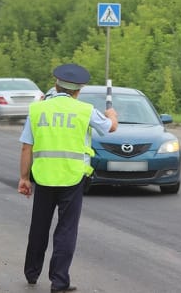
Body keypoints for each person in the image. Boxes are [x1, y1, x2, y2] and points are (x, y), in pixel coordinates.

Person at [17, 63, 118, 292]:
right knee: (66, 229)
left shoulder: (37, 109)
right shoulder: (85, 110)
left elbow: (26, 147)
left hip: (43, 177)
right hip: (72, 178)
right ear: (78, 90)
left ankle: (32, 273)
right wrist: (112, 115)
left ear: (56, 84)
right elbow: (110, 128)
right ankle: (59, 281)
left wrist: (24, 178)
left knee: (39, 226)